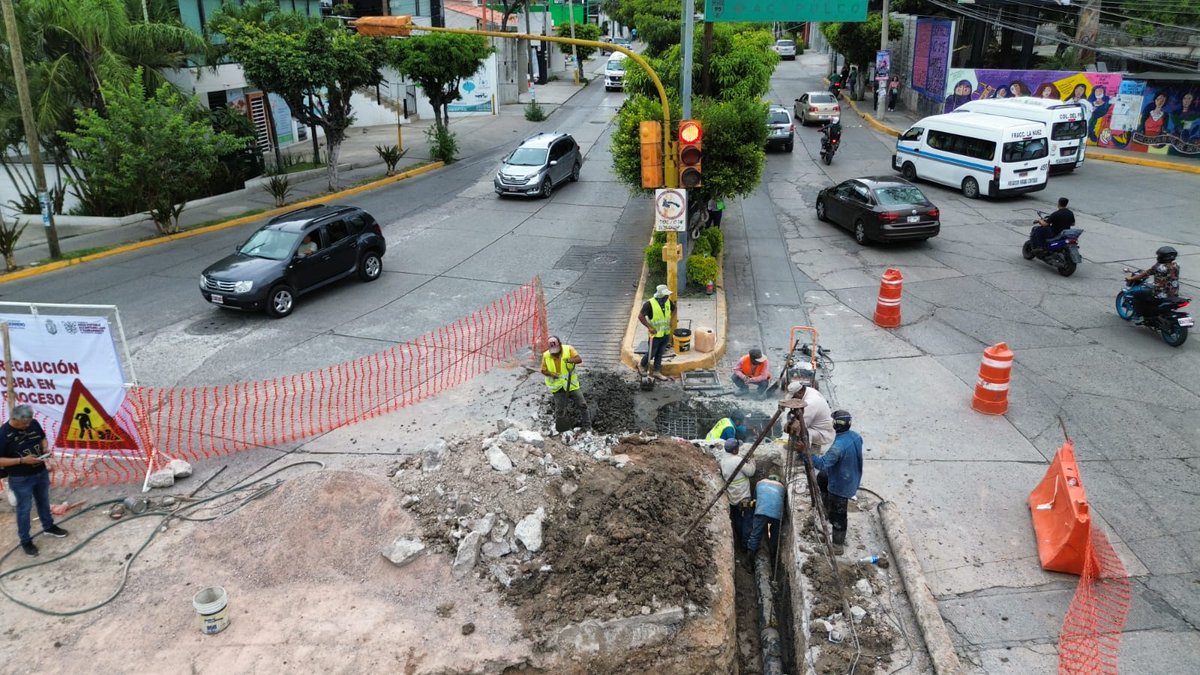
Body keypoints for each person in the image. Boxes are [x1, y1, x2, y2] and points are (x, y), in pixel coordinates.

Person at [0, 405, 69, 557]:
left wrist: (45, 449)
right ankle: (25, 541)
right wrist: (21, 460)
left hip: (40, 472)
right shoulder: (3, 434)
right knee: (24, 509)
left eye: (28, 423)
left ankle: (49, 527)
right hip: (20, 478)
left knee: (44, 501)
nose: (27, 426)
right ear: (14, 419)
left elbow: (42, 437)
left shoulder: (33, 423)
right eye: (24, 424)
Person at [810, 410, 863, 555]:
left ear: (835, 425)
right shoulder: (855, 437)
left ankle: (837, 546)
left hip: (841, 485)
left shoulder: (838, 447)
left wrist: (806, 453)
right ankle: (826, 513)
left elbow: (821, 463)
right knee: (822, 478)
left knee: (839, 515)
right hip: (849, 475)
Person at [541, 336, 590, 430]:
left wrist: (569, 360)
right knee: (560, 410)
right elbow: (543, 370)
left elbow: (579, 359)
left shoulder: (569, 349)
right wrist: (551, 374)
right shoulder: (546, 355)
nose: (555, 354)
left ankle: (587, 426)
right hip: (558, 388)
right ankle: (562, 428)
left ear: (560, 344)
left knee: (582, 405)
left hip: (571, 385)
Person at [720, 438, 756, 549]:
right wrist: (752, 461)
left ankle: (740, 542)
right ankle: (747, 544)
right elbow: (750, 472)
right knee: (748, 520)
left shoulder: (723, 461)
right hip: (744, 496)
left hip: (733, 498)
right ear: (735, 450)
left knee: (738, 520)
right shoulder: (737, 460)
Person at [1127, 246, 1181, 319]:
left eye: (1159, 255)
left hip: (1159, 294)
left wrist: (1131, 278)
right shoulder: (1176, 265)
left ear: (1162, 257)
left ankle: (1137, 314)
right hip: (1173, 293)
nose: (1158, 257)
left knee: (1137, 294)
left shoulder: (1159, 267)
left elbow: (1145, 274)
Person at [785, 382, 836, 453]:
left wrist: (791, 425)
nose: (793, 399)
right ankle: (807, 448)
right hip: (818, 426)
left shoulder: (810, 403)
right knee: (797, 427)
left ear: (800, 392)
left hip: (823, 433)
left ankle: (805, 453)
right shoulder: (808, 390)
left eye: (794, 397)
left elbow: (801, 426)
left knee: (800, 430)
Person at [638, 284, 674, 381]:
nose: (668, 297)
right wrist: (649, 327)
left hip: (665, 333)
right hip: (655, 335)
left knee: (660, 353)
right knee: (652, 352)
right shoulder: (649, 304)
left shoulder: (668, 302)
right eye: (666, 296)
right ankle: (641, 365)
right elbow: (640, 316)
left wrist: (671, 320)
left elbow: (674, 309)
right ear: (660, 296)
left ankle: (657, 371)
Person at [746, 474, 786, 556]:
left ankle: (749, 557)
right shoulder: (782, 487)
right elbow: (782, 501)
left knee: (755, 535)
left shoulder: (759, 483)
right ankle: (773, 555)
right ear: (777, 480)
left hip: (761, 511)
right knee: (774, 535)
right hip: (776, 514)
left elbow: (755, 499)